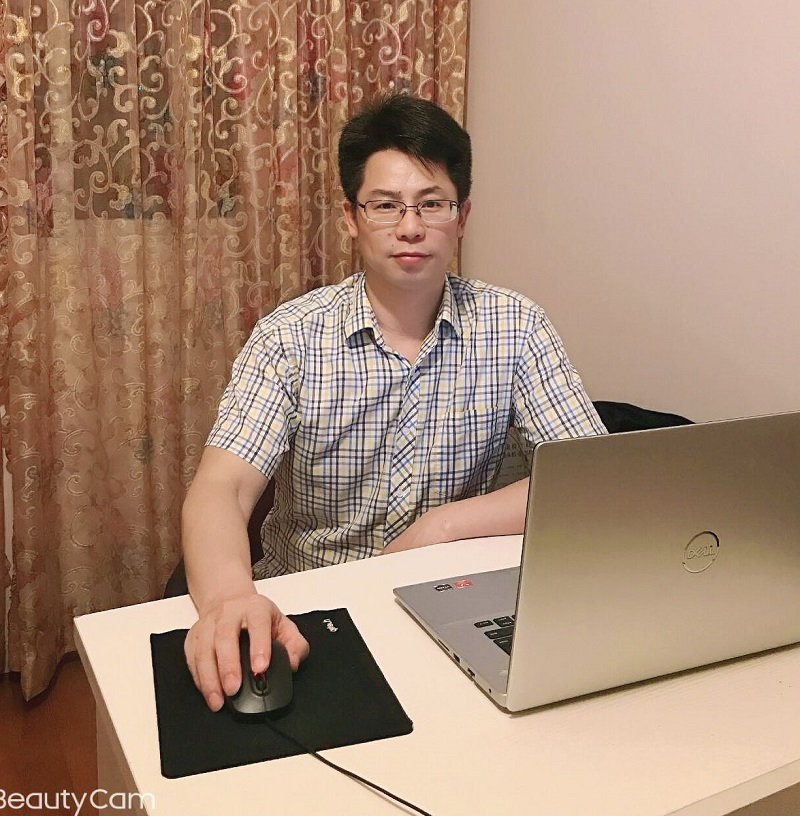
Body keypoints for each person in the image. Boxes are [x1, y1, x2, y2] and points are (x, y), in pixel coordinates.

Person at [182, 94, 606, 711]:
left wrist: (446, 524)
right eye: (385, 205)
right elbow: (221, 489)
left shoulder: (516, 326)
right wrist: (229, 602)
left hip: (453, 599)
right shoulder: (291, 338)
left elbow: (588, 477)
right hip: (311, 607)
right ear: (351, 218)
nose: (410, 226)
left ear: (462, 216)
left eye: (432, 204)